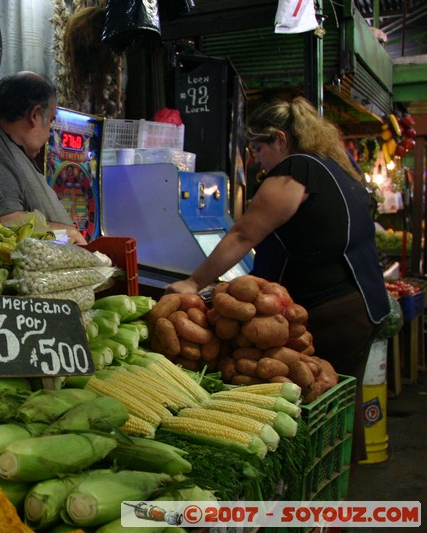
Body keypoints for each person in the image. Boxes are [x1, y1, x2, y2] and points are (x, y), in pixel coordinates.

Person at [166, 96, 389, 463]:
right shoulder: (334, 167)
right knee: (336, 410)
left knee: (316, 411)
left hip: (329, 312)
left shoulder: (296, 170)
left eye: (258, 148)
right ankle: (334, 491)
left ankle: (317, 500)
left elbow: (242, 235)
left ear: (281, 140)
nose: (257, 160)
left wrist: (194, 283)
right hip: (360, 304)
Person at [0, 71, 87, 245]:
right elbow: (9, 222)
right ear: (34, 115)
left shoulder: (9, 147)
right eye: (50, 121)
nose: (49, 134)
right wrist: (68, 233)